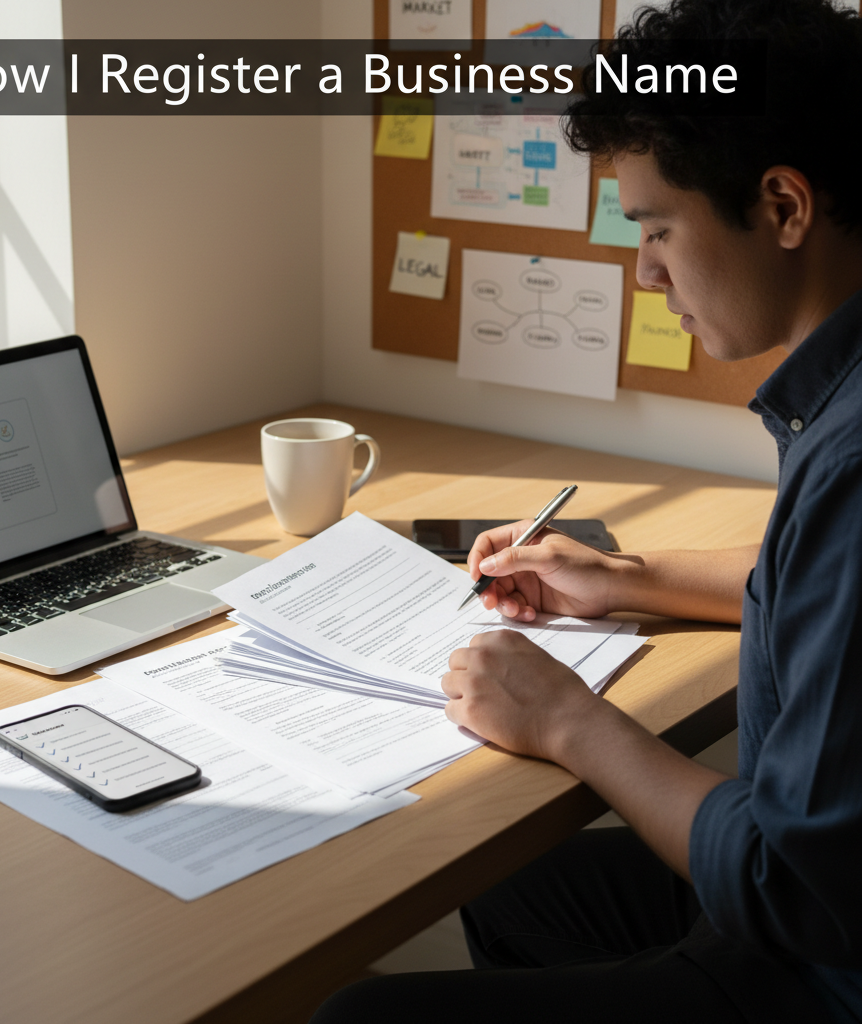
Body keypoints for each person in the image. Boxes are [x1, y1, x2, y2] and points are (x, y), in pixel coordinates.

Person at [311, 1, 862, 1021]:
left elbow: (794, 888)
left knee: (355, 1015)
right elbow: (817, 583)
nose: (646, 271)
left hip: (823, 963)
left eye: (657, 228)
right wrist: (622, 578)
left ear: (783, 206)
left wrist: (569, 720)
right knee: (516, 894)